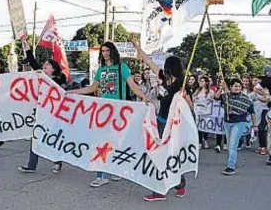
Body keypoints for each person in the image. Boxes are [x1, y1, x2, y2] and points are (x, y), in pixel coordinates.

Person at [68, 41, 149, 188]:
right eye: (103, 51)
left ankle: (114, 169)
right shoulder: (100, 70)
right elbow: (93, 88)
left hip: (119, 111)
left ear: (113, 52)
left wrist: (143, 96)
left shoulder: (122, 68)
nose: (105, 53)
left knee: (116, 141)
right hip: (104, 111)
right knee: (102, 141)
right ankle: (101, 175)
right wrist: (73, 92)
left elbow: (132, 85)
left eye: (107, 50)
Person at [130, 37, 193, 201]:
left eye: (167, 67)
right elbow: (147, 60)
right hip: (160, 121)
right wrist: (137, 45)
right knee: (158, 154)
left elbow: (191, 107)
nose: (164, 69)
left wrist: (185, 97)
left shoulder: (182, 84)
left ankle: (178, 183)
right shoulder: (163, 79)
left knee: (170, 155)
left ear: (172, 68)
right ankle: (160, 189)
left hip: (174, 126)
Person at [18, 38, 67, 174]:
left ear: (54, 69)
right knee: (36, 137)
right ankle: (31, 165)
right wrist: (26, 46)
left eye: (47, 65)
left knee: (53, 138)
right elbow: (32, 62)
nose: (44, 67)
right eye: (44, 65)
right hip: (41, 113)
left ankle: (57, 162)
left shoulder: (58, 80)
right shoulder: (41, 77)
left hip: (55, 115)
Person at [214, 78, 257, 175]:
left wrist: (254, 125)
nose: (237, 88)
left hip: (239, 122)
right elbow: (216, 97)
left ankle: (230, 166)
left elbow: (252, 112)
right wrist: (221, 88)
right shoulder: (226, 96)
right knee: (229, 145)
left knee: (233, 144)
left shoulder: (246, 99)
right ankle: (231, 160)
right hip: (227, 122)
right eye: (235, 86)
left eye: (238, 86)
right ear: (230, 87)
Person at [193, 76, 213, 149]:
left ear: (206, 82)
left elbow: (213, 100)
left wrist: (209, 100)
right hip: (198, 111)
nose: (201, 83)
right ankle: (199, 142)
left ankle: (206, 140)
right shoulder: (197, 91)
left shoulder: (210, 91)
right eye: (200, 81)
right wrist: (195, 98)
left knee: (205, 127)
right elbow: (194, 98)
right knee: (199, 127)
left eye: (202, 81)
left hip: (206, 112)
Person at [253, 76, 269, 155]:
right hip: (257, 110)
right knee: (259, 128)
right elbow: (255, 90)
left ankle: (264, 147)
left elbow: (267, 99)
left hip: (265, 110)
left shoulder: (269, 88)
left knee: (263, 128)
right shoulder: (257, 88)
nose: (258, 83)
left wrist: (259, 99)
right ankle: (260, 145)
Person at [238, 75, 255, 150]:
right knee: (240, 128)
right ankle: (240, 143)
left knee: (248, 127)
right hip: (240, 112)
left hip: (249, 112)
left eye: (247, 81)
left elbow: (254, 100)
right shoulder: (238, 90)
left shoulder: (252, 92)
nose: (245, 82)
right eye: (243, 81)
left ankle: (248, 140)